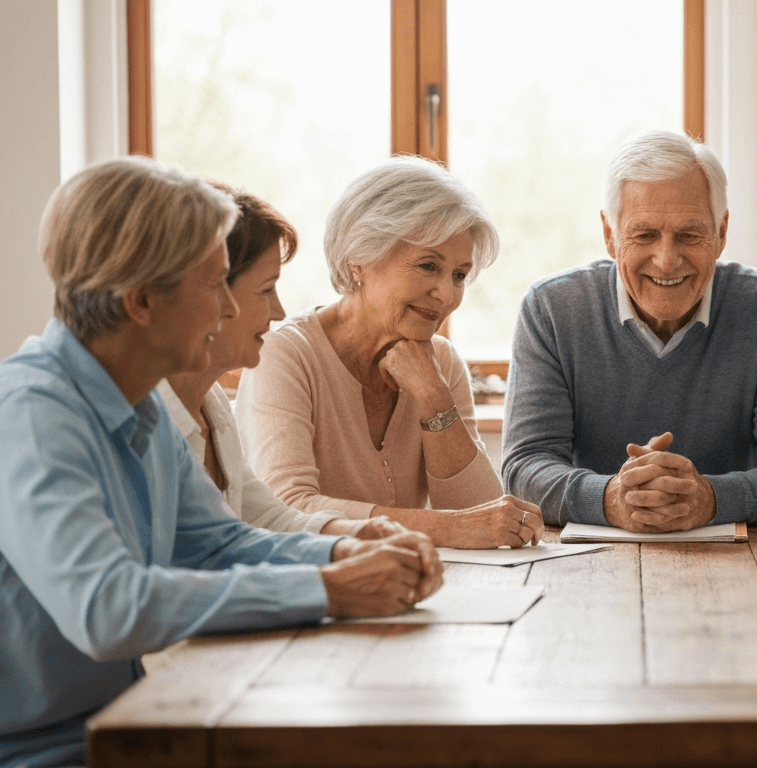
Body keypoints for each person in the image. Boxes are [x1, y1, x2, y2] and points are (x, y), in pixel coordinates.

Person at [0, 157, 443, 768]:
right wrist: (328, 588)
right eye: (214, 287)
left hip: (127, 727)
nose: (230, 311)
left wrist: (347, 554)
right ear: (141, 302)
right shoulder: (30, 413)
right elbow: (110, 609)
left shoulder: (139, 405)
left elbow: (217, 542)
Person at [501, 130, 757, 531]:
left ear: (721, 233)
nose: (666, 259)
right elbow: (524, 468)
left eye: (689, 235)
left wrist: (709, 498)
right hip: (586, 562)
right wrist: (610, 498)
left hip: (739, 564)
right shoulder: (551, 308)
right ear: (610, 234)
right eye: (644, 235)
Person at [236, 157, 544, 549]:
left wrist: (433, 397)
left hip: (406, 586)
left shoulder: (442, 363)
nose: (447, 295)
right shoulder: (285, 355)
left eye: (459, 275)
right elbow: (288, 510)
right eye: (428, 265)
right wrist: (445, 528)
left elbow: (483, 515)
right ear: (360, 258)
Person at [159, 183, 402, 538]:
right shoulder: (146, 421)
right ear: (206, 291)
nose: (279, 311)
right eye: (265, 289)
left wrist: (360, 537)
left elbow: (270, 520)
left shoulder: (211, 404)